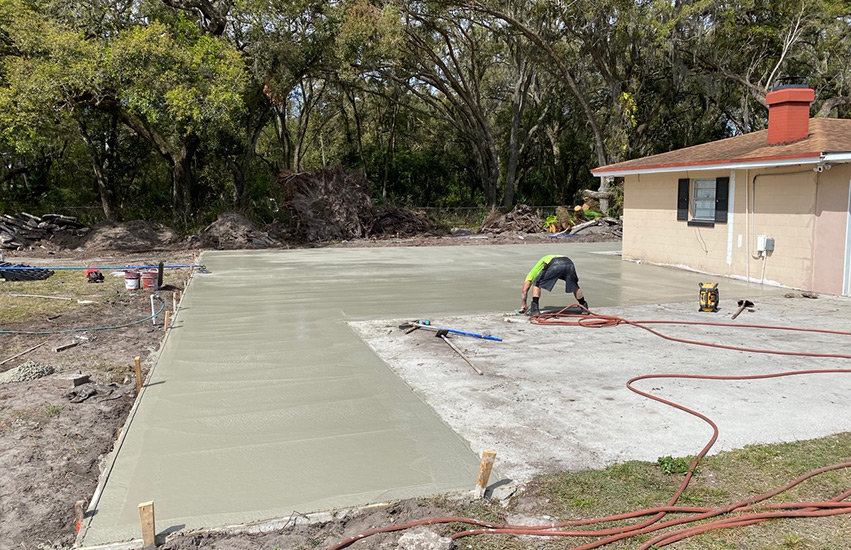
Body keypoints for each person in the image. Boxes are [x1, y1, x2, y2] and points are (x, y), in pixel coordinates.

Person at [520, 254, 588, 315]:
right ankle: (583, 306)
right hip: (568, 262)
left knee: (536, 284)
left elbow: (524, 290)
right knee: (574, 285)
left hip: (555, 263)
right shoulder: (541, 263)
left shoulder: (531, 274)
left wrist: (524, 305)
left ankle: (534, 309)